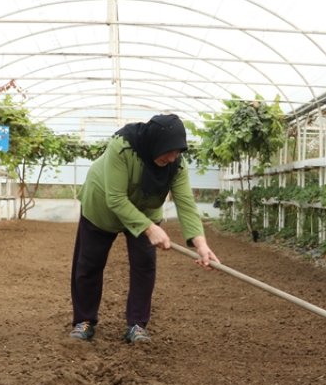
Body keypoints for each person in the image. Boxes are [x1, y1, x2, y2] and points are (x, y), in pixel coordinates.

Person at [69, 113, 219, 343]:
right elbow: (116, 198)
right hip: (102, 205)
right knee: (89, 263)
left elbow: (186, 203)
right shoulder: (122, 147)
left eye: (177, 151)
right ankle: (84, 321)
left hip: (146, 208)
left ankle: (137, 325)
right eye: (168, 151)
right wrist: (149, 228)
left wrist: (201, 243)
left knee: (144, 265)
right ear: (154, 144)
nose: (171, 157)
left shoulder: (176, 164)